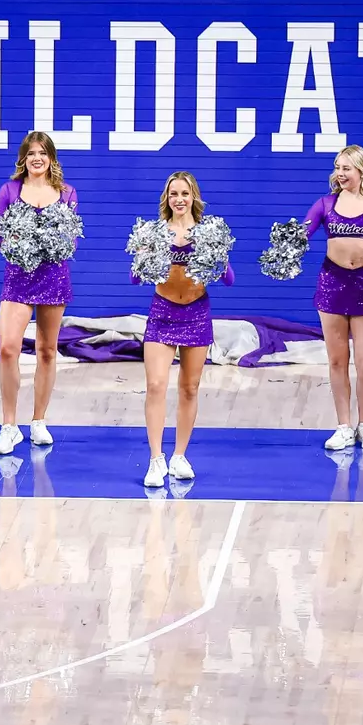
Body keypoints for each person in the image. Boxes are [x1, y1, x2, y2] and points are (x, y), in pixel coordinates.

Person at [299, 145, 363, 452]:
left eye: (346, 168)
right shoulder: (324, 204)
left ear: (361, 171)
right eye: (337, 167)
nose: (340, 174)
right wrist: (286, 243)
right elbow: (301, 235)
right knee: (337, 360)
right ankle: (343, 426)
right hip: (332, 283)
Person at [139, 172, 232, 488]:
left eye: (185, 193)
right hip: (162, 313)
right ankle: (155, 460)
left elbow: (229, 279)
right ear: (167, 198)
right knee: (155, 384)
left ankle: (179, 456)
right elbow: (135, 278)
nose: (179, 199)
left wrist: (219, 258)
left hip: (196, 312)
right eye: (173, 193)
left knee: (190, 387)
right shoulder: (154, 232)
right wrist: (144, 258)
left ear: (194, 197)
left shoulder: (207, 232)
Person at [0, 131, 78, 455]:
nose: (37, 158)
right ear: (23, 159)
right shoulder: (9, 191)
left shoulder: (66, 193)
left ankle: (38, 420)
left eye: (42, 153)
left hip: (53, 277)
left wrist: (50, 244)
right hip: (18, 277)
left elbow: (72, 241)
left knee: (47, 351)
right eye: (31, 153)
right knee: (8, 348)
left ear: (51, 158)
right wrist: (17, 243)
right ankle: (8, 426)